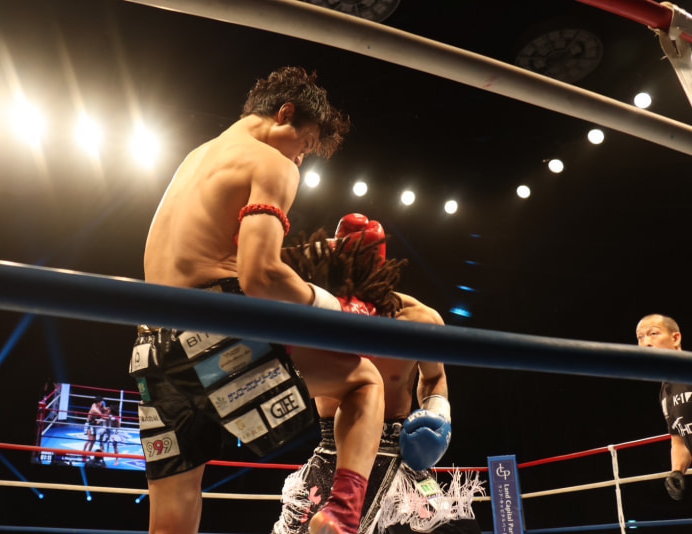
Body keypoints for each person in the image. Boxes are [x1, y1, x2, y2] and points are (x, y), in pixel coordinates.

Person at [129, 66, 385, 534]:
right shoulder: (272, 164)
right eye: (305, 145)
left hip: (151, 346)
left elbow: (218, 256)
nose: (300, 160)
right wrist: (330, 307)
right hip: (212, 331)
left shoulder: (196, 158)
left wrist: (318, 257)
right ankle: (340, 518)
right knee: (364, 381)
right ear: (285, 113)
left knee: (173, 511)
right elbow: (259, 274)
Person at [275, 214, 483, 534]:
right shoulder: (317, 312)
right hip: (336, 451)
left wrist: (438, 413)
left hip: (399, 450)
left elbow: (433, 377)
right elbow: (265, 267)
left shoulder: (418, 319)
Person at [636, 314, 692, 501]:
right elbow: (679, 438)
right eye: (640, 338)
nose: (646, 343)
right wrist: (677, 471)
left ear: (675, 338)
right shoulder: (665, 390)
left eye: (653, 334)